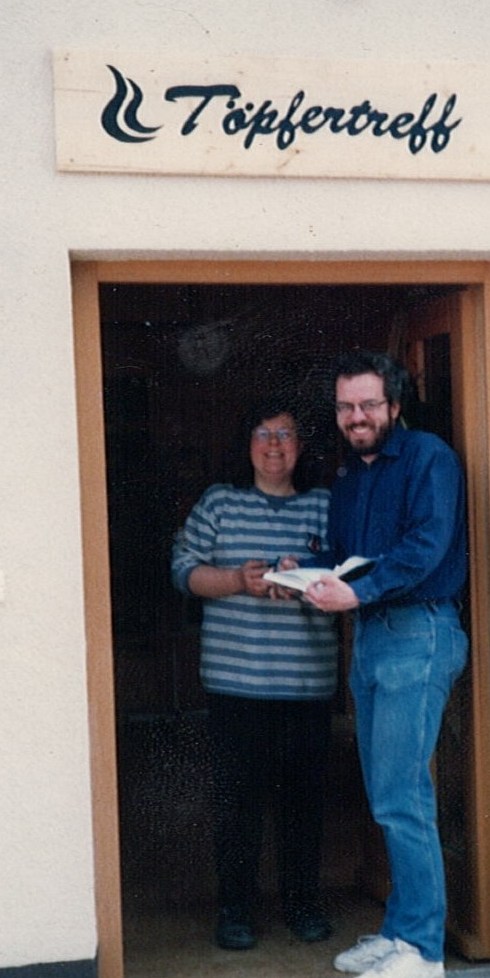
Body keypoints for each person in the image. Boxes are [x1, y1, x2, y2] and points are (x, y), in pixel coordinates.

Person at [303, 351, 469, 978]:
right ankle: (401, 929)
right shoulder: (349, 477)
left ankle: (423, 952)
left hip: (418, 630)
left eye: (368, 404)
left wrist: (355, 592)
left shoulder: (429, 458)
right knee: (385, 790)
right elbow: (348, 559)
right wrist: (306, 572)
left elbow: (424, 548)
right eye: (346, 407)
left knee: (401, 793)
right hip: (372, 634)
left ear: (394, 405)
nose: (356, 417)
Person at [171, 401, 338, 950]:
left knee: (303, 805)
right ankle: (235, 910)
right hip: (234, 685)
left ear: (300, 445)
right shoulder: (220, 502)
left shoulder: (324, 507)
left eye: (285, 434)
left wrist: (303, 581)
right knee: (237, 805)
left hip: (306, 685)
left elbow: (349, 581)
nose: (274, 445)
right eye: (263, 433)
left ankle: (303, 906)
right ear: (247, 444)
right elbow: (182, 571)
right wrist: (238, 581)